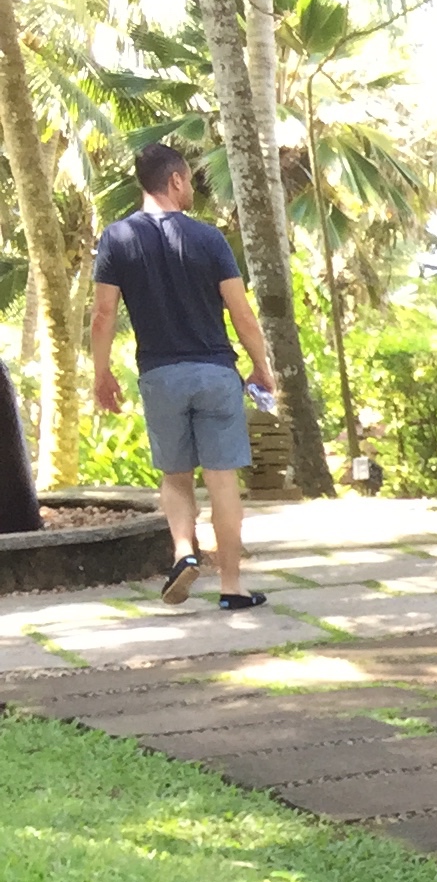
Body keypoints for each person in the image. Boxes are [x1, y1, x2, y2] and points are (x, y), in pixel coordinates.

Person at [87, 142, 277, 610]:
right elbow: (241, 313)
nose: (190, 187)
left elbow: (103, 314)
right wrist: (261, 367)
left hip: (160, 375)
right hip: (215, 372)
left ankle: (184, 553)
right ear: (175, 180)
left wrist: (101, 372)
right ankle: (231, 587)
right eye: (189, 179)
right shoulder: (209, 239)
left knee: (175, 478)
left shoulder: (116, 238)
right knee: (222, 481)